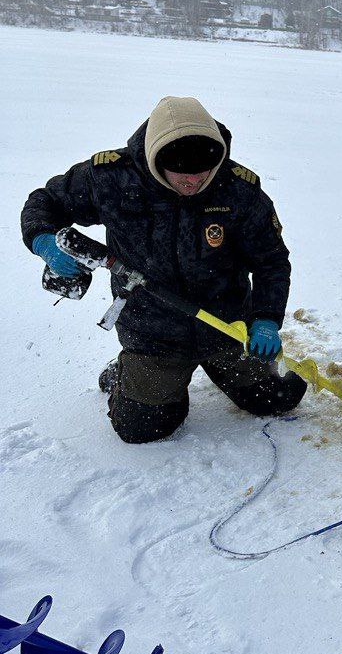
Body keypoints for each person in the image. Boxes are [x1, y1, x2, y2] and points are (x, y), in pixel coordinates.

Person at [21, 96, 307, 443]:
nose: (193, 183)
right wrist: (44, 242)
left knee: (274, 401)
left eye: (202, 173)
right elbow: (46, 202)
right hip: (153, 331)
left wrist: (266, 318)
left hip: (227, 326)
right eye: (182, 175)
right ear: (156, 159)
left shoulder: (239, 190)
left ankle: (219, 367)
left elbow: (271, 261)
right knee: (142, 428)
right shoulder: (111, 177)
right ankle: (126, 374)